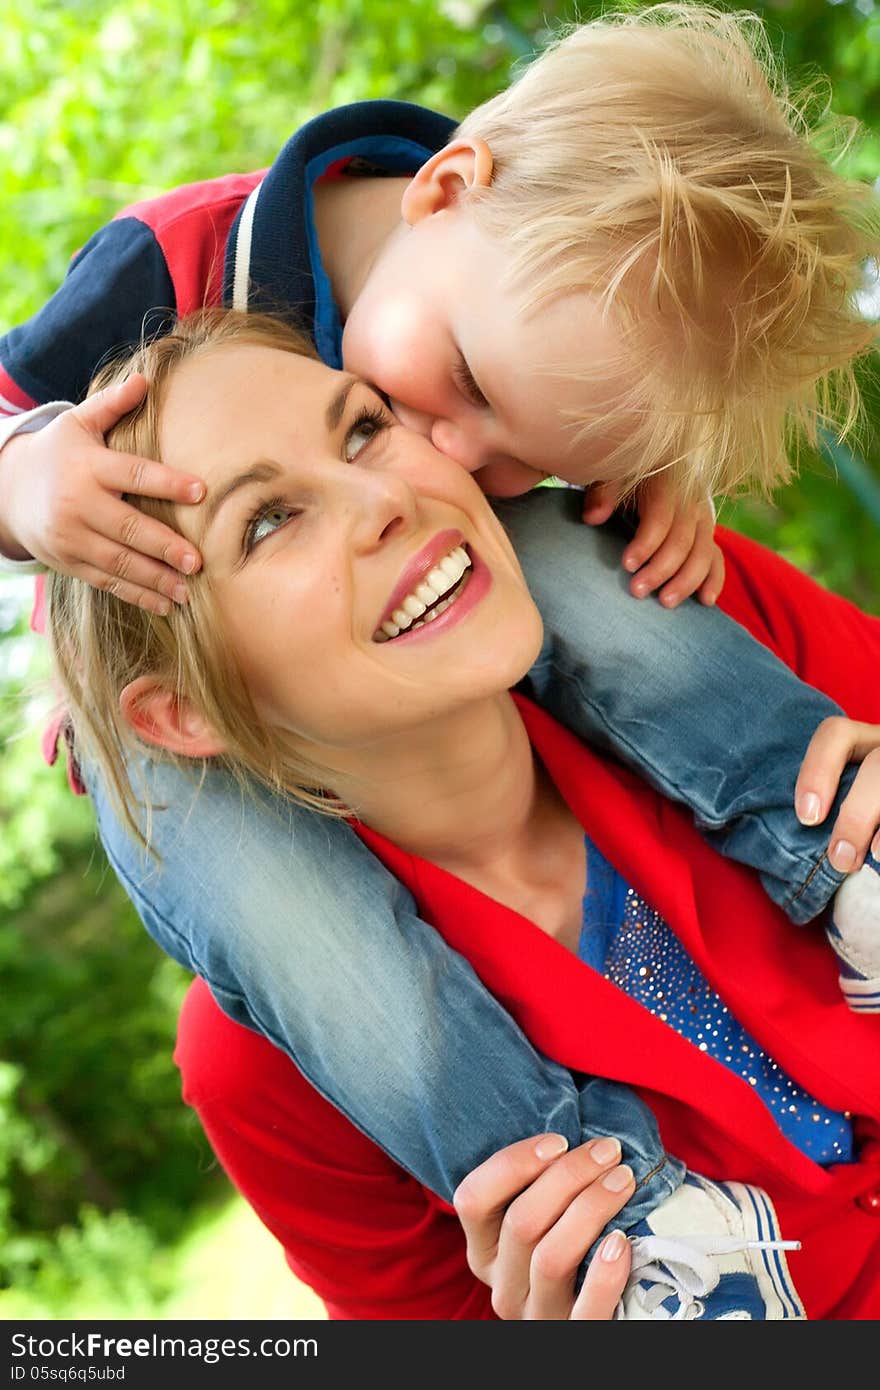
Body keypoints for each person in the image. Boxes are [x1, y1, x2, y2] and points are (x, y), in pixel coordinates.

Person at [3, 0, 880, 1302]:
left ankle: (840, 859)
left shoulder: (689, 596)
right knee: (293, 924)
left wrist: (649, 468)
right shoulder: (172, 259)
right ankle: (607, 1212)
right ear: (443, 188)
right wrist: (26, 483)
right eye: (270, 517)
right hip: (138, 692)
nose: (445, 462)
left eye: (366, 427)